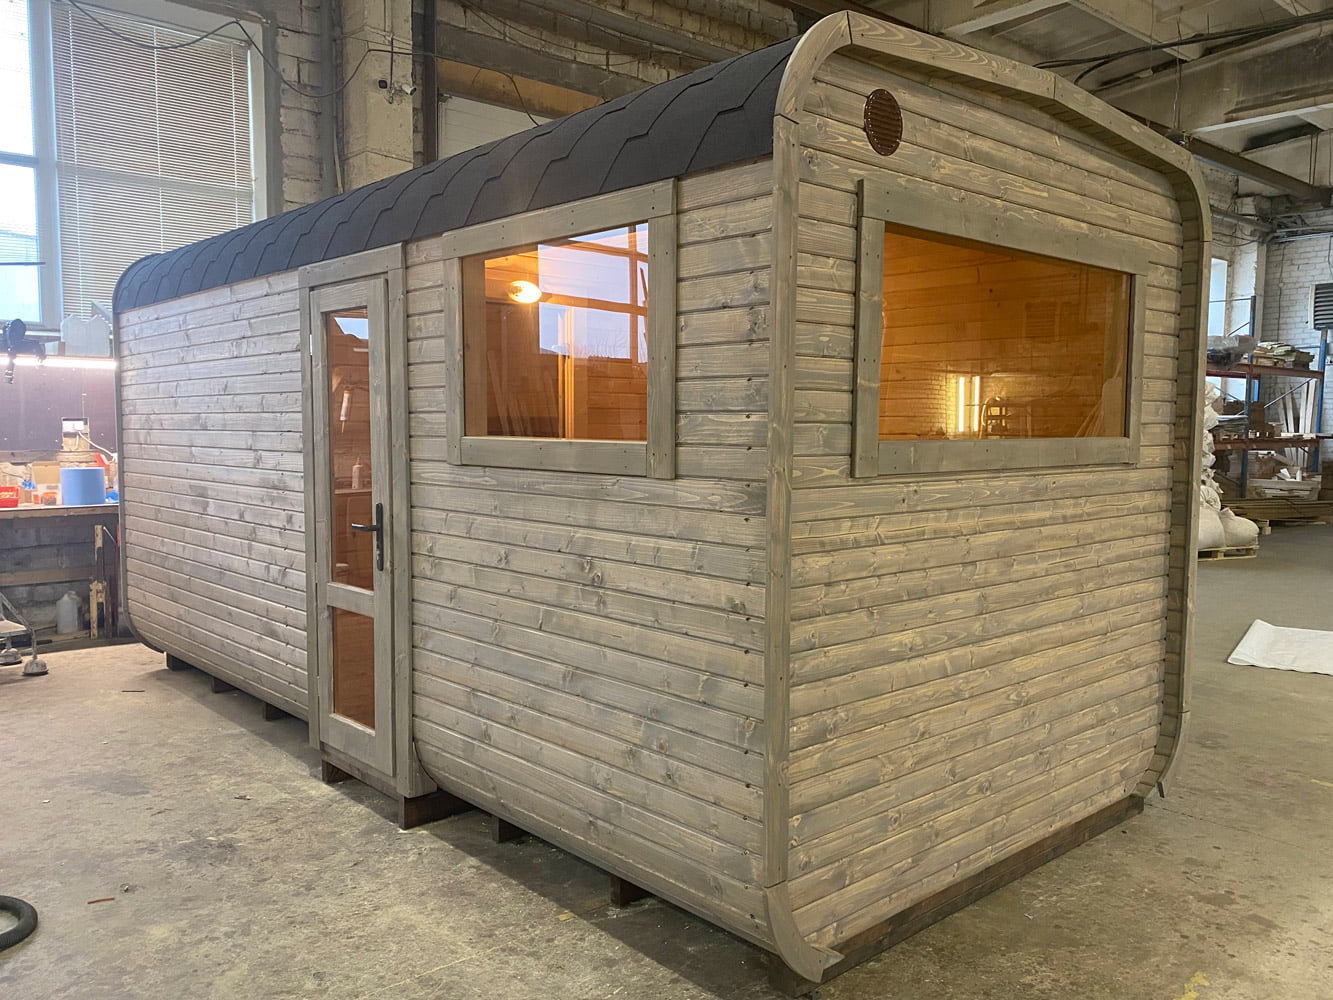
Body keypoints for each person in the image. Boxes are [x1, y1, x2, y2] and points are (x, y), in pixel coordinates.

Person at [3, 318, 45, 383]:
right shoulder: (3, 344)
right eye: (12, 332)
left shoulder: (31, 345)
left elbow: (35, 344)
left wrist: (40, 355)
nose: (14, 335)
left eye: (17, 333)